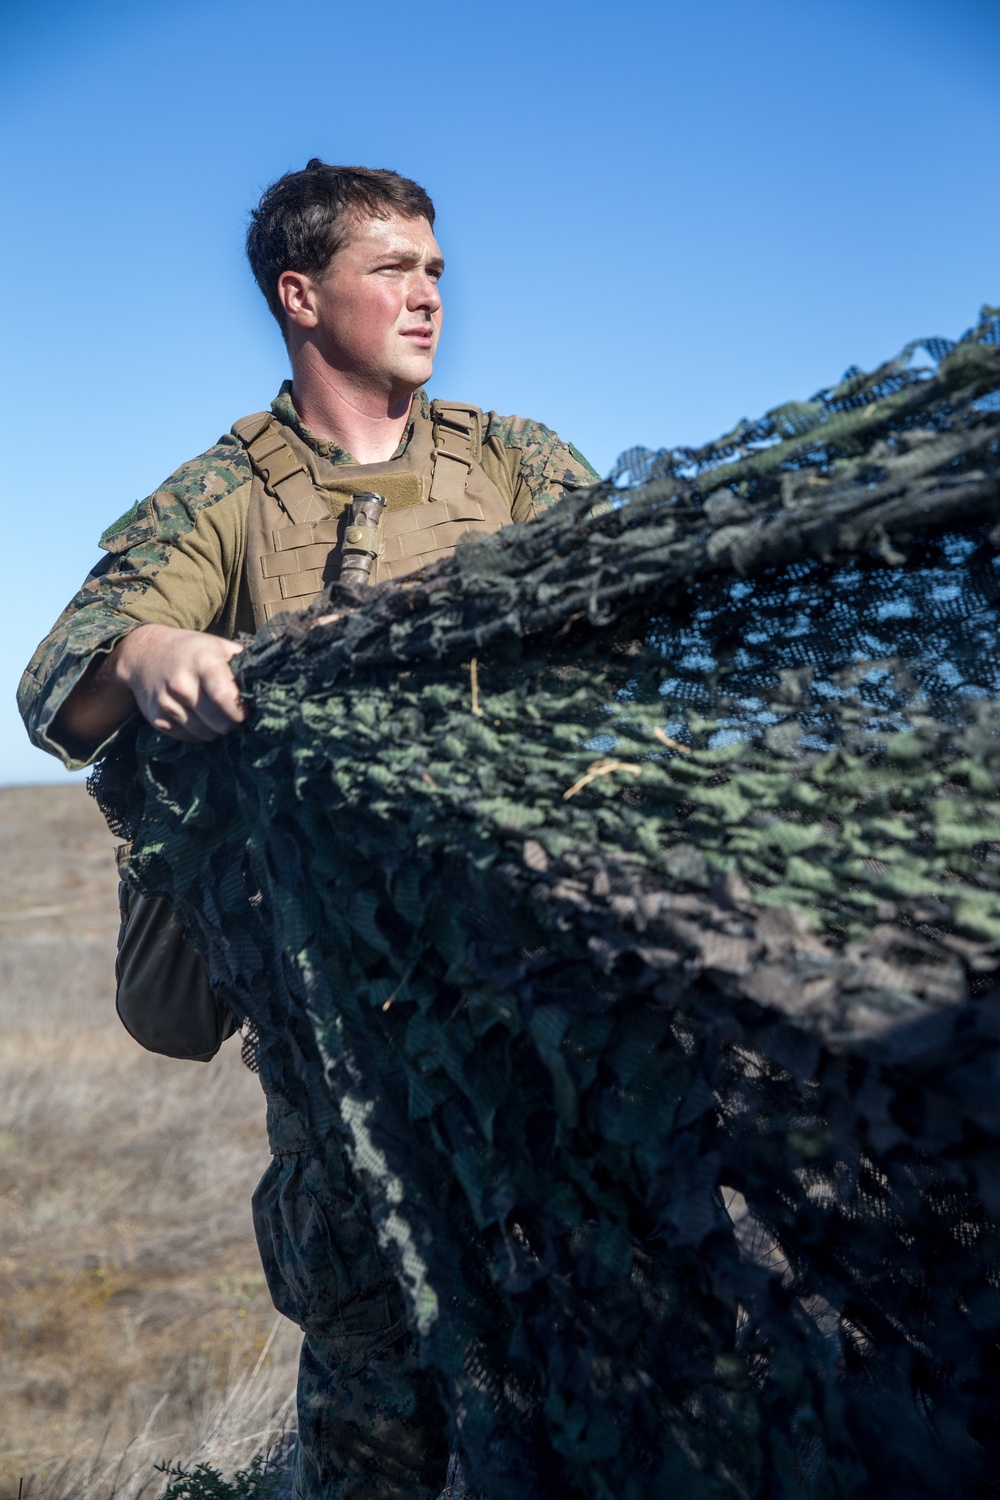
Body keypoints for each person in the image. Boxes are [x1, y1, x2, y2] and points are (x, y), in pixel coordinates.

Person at [18, 160, 599, 1499]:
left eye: (437, 269)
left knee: (578, 1349)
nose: (427, 294)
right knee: (376, 1390)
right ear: (301, 294)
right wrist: (157, 648)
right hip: (345, 1034)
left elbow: (629, 595)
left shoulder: (515, 462)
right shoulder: (228, 495)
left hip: (531, 995)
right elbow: (59, 675)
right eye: (392, 267)